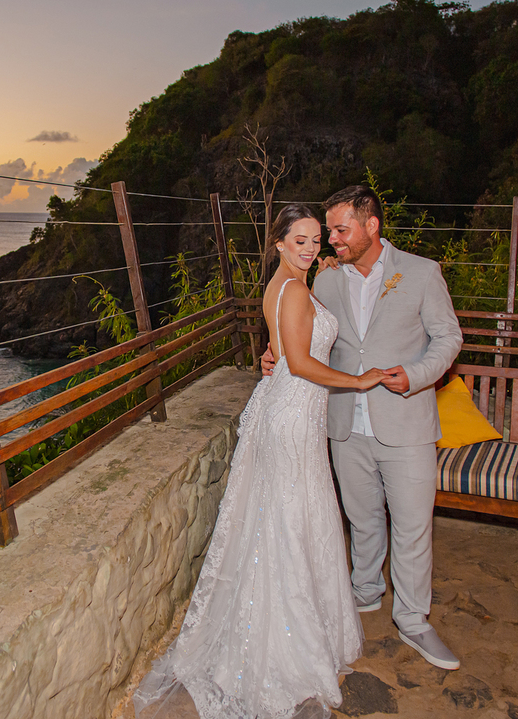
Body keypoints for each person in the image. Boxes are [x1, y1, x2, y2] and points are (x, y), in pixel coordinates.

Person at [134, 204, 385, 719]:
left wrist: (273, 352)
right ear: (278, 243)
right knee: (290, 527)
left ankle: (288, 629)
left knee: (287, 524)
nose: (312, 247)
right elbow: (300, 361)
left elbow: (277, 351)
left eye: (317, 239)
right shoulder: (292, 289)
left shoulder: (288, 284)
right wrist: (359, 380)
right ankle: (282, 649)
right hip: (292, 420)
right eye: (301, 240)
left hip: (290, 415)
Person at [267, 185, 463, 671]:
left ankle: (414, 620)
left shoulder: (421, 273)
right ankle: (365, 591)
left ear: (371, 225)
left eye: (339, 229)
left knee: (413, 526)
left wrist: (415, 376)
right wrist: (276, 354)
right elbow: (306, 335)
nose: (330, 240)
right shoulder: (327, 280)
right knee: (362, 518)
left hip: (406, 422)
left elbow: (448, 338)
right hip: (343, 426)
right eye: (326, 231)